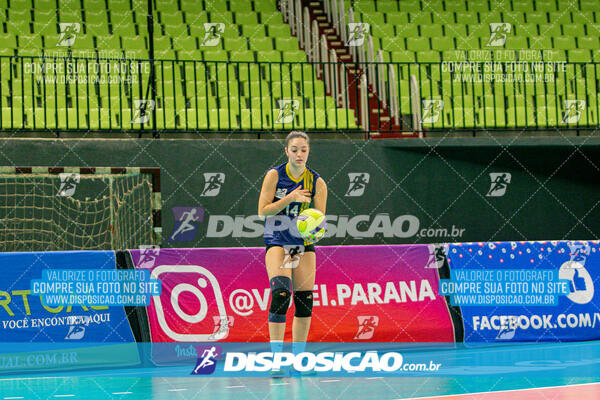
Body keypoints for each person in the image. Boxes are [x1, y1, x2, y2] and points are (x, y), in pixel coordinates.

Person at [257, 131, 327, 376]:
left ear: (308, 152)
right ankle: (276, 361)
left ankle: (299, 361)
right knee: (280, 293)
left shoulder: (317, 182)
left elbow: (319, 220)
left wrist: (314, 229)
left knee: (304, 300)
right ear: (286, 151)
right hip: (277, 240)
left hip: (302, 244)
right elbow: (262, 212)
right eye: (295, 149)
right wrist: (290, 198)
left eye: (303, 150)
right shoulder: (274, 175)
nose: (299, 154)